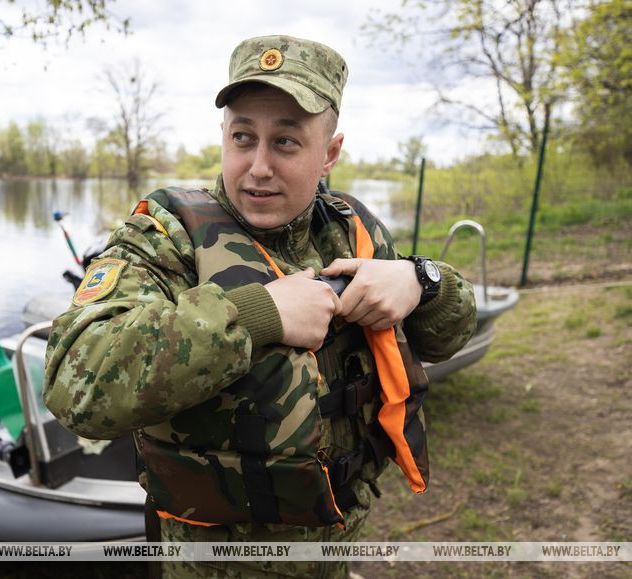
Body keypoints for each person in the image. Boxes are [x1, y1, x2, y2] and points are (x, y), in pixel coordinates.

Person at [44, 35, 477, 578]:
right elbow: (74, 385)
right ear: (223, 136)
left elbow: (448, 336)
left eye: (287, 143)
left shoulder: (352, 230)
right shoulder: (166, 235)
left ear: (330, 154)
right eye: (243, 138)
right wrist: (258, 315)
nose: (258, 167)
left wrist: (422, 280)